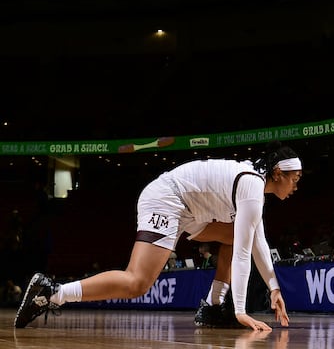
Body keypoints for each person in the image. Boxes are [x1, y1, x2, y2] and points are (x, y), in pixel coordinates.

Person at [14, 140, 302, 331]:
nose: (296, 186)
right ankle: (52, 293)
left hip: (191, 210)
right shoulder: (252, 186)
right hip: (168, 199)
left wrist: (274, 289)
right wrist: (241, 311)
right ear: (277, 173)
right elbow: (242, 252)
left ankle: (214, 307)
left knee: (235, 236)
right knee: (137, 282)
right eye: (294, 179)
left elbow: (255, 241)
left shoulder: (254, 185)